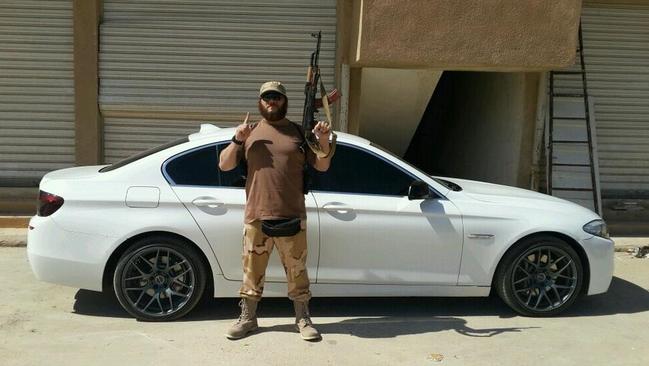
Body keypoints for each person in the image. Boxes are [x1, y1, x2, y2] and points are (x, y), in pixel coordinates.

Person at [218, 81, 333, 341]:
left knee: (297, 273)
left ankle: (302, 319)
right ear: (260, 102)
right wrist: (238, 139)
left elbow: (322, 166)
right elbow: (224, 165)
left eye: (277, 97)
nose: (272, 101)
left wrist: (323, 141)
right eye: (267, 97)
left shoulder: (298, 132)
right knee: (251, 273)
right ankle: (248, 319)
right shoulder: (250, 133)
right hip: (256, 217)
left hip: (292, 215)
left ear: (285, 101)